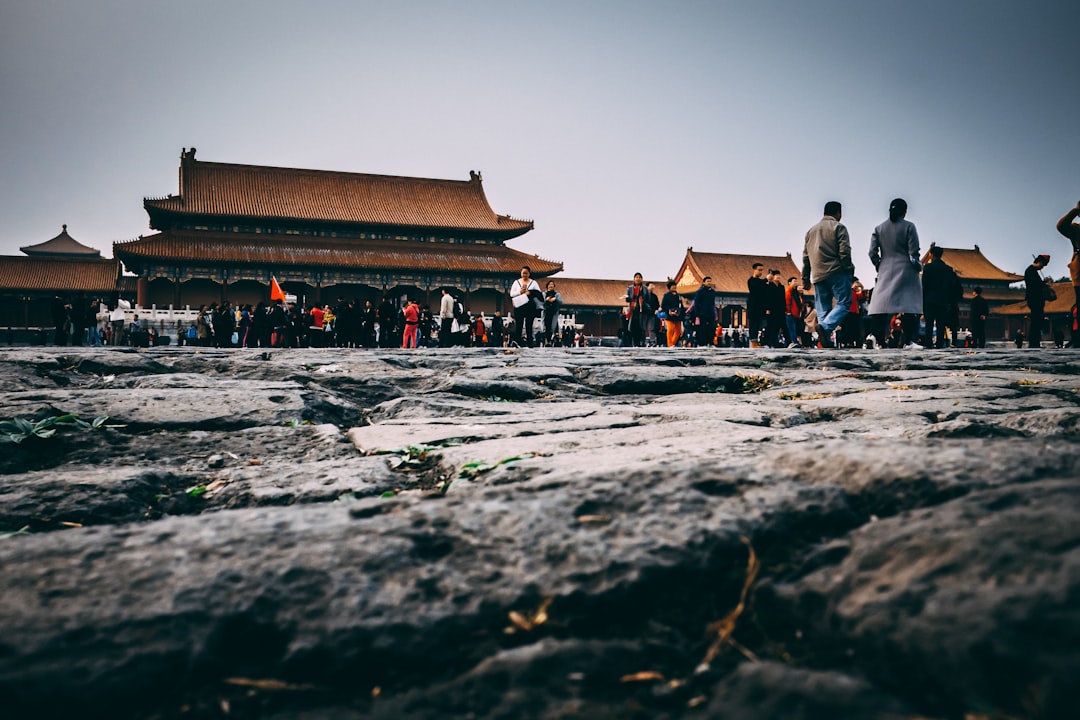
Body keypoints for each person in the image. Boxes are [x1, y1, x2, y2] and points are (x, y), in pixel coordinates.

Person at [867, 198, 923, 349]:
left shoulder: (879, 228)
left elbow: (872, 252)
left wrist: (879, 264)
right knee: (909, 305)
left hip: (885, 267)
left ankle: (876, 339)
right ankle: (909, 341)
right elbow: (914, 252)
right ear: (905, 211)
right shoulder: (909, 226)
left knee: (880, 305)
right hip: (906, 269)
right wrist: (918, 266)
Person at [802, 200, 854, 349]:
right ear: (839, 213)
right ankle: (825, 328)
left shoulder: (810, 231)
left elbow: (805, 258)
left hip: (817, 275)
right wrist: (848, 269)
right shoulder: (839, 227)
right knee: (844, 303)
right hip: (837, 271)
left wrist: (805, 279)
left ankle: (826, 341)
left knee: (823, 309)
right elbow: (845, 252)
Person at [921, 245, 962, 348]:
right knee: (941, 324)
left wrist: (922, 299)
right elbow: (952, 287)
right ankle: (939, 344)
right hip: (943, 300)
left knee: (929, 324)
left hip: (929, 300)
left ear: (931, 254)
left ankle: (928, 344)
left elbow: (924, 285)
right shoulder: (948, 269)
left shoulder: (928, 268)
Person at [510, 266, 541, 347]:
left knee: (529, 325)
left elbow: (539, 293)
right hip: (519, 305)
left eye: (526, 273)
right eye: (523, 273)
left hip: (530, 306)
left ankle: (530, 343)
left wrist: (529, 292)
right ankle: (517, 342)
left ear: (529, 274)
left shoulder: (533, 283)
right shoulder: (516, 282)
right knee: (519, 325)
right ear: (521, 273)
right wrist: (519, 292)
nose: (524, 275)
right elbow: (511, 293)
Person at [1024, 254, 1051, 348]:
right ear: (1039, 262)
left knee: (1037, 321)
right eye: (1042, 265)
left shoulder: (1032, 271)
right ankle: (1034, 342)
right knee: (1036, 321)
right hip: (1035, 300)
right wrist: (1045, 284)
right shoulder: (1031, 271)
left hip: (1035, 300)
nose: (1042, 267)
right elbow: (1035, 286)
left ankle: (1035, 342)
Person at [624, 273, 653, 347]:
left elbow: (648, 299)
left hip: (642, 310)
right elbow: (627, 299)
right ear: (634, 279)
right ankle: (634, 343)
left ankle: (642, 343)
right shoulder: (630, 288)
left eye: (639, 277)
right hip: (633, 310)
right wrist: (630, 299)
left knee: (642, 327)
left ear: (642, 279)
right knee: (633, 327)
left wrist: (642, 303)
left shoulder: (645, 288)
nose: (638, 279)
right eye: (636, 277)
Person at [693, 276, 718, 347]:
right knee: (702, 329)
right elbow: (696, 303)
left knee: (712, 328)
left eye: (710, 281)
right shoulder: (700, 292)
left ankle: (710, 342)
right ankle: (702, 343)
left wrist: (714, 313)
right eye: (707, 281)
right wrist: (697, 313)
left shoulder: (712, 292)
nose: (709, 283)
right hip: (702, 313)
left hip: (711, 313)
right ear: (704, 283)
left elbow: (713, 303)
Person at [746, 263, 768, 345]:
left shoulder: (761, 282)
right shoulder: (751, 281)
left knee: (759, 325)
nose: (760, 272)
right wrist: (766, 280)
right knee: (753, 325)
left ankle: (757, 341)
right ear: (754, 270)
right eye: (759, 270)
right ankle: (753, 341)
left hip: (760, 307)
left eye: (762, 270)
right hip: (753, 307)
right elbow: (756, 289)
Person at [660, 280, 684, 347]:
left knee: (678, 331)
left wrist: (681, 313)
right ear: (669, 287)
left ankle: (673, 343)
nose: (674, 287)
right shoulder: (666, 295)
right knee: (670, 329)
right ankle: (669, 343)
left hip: (677, 315)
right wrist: (669, 311)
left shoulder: (679, 296)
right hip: (669, 315)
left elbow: (681, 305)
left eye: (674, 286)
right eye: (672, 286)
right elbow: (663, 306)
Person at [542, 280, 563, 346]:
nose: (551, 286)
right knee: (546, 326)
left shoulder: (557, 294)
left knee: (553, 326)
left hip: (554, 312)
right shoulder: (544, 294)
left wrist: (555, 299)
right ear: (547, 286)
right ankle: (547, 340)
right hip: (546, 312)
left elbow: (561, 302)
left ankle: (552, 340)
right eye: (549, 284)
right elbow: (540, 302)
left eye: (552, 284)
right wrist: (546, 300)